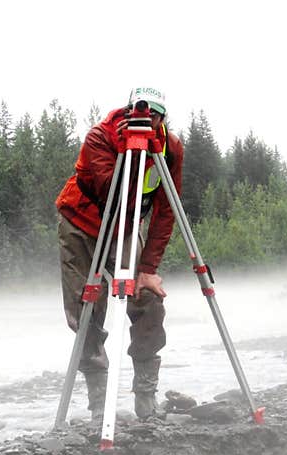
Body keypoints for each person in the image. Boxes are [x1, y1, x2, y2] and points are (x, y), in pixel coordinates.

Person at [55, 86, 184, 424]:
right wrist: (132, 149)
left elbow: (166, 209)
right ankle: (100, 405)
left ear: (162, 118)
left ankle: (146, 399)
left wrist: (148, 268)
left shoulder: (169, 149)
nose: (146, 120)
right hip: (80, 224)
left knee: (148, 300)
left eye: (154, 115)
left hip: (125, 229)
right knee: (85, 309)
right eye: (140, 112)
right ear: (127, 111)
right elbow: (114, 195)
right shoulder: (100, 137)